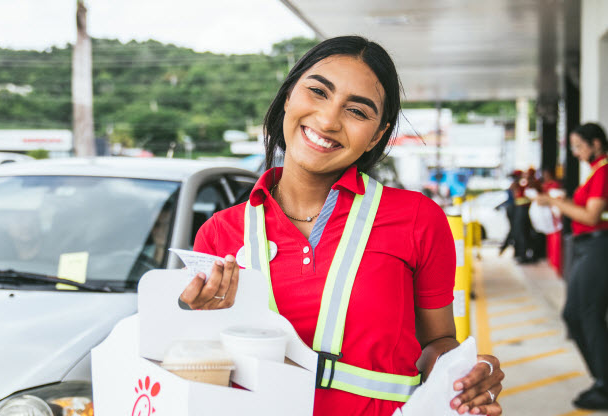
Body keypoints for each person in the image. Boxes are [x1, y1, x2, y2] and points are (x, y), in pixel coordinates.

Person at [180, 36, 504, 416]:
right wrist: (192, 323)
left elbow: (439, 341)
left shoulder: (418, 218)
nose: (329, 120)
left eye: (357, 111)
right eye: (317, 92)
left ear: (378, 135)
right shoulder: (219, 233)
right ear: (288, 96)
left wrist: (468, 375)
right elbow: (199, 367)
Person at [536, 122, 608, 410]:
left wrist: (553, 203)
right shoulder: (597, 171)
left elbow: (591, 216)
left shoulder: (603, 170)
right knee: (577, 315)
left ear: (596, 144)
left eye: (579, 146)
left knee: (586, 314)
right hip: (587, 248)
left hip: (597, 246)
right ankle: (601, 379)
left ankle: (604, 384)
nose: (576, 153)